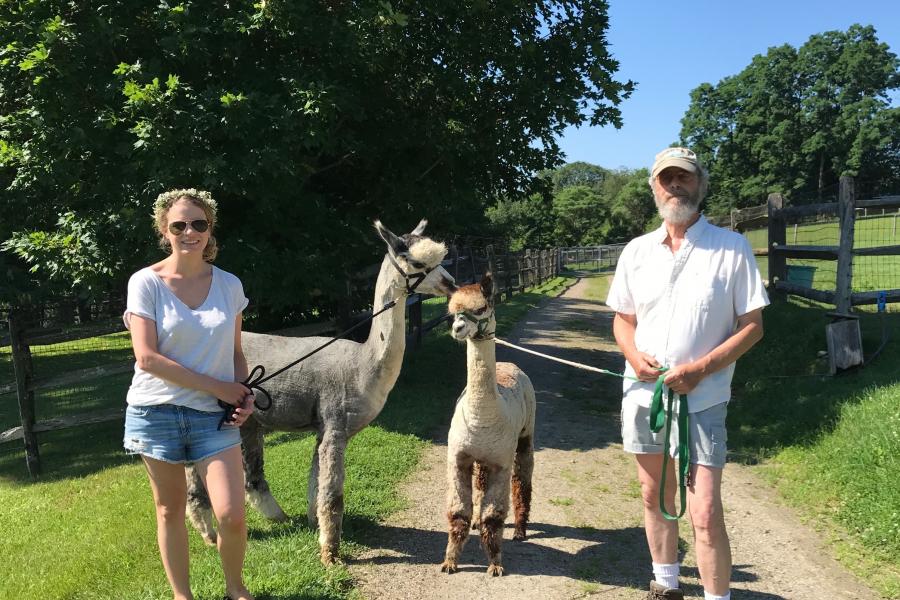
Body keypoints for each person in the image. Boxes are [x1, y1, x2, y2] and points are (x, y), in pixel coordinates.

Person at [605, 148, 769, 600]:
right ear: (654, 187)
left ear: (701, 185)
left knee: (705, 509)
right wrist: (635, 357)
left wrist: (701, 369)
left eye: (685, 178)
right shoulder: (637, 251)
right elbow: (623, 319)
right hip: (644, 394)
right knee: (653, 493)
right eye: (666, 178)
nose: (675, 185)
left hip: (705, 396)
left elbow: (752, 326)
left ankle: (717, 597)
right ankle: (666, 584)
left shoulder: (731, 248)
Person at [123, 188, 256, 600]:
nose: (189, 231)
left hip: (212, 418)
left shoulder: (229, 285)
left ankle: (235, 589)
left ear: (209, 229)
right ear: (165, 230)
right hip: (155, 412)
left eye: (198, 223)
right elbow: (147, 358)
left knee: (232, 515)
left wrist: (244, 394)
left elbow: (235, 352)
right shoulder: (146, 283)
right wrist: (221, 387)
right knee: (169, 510)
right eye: (179, 224)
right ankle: (183, 596)